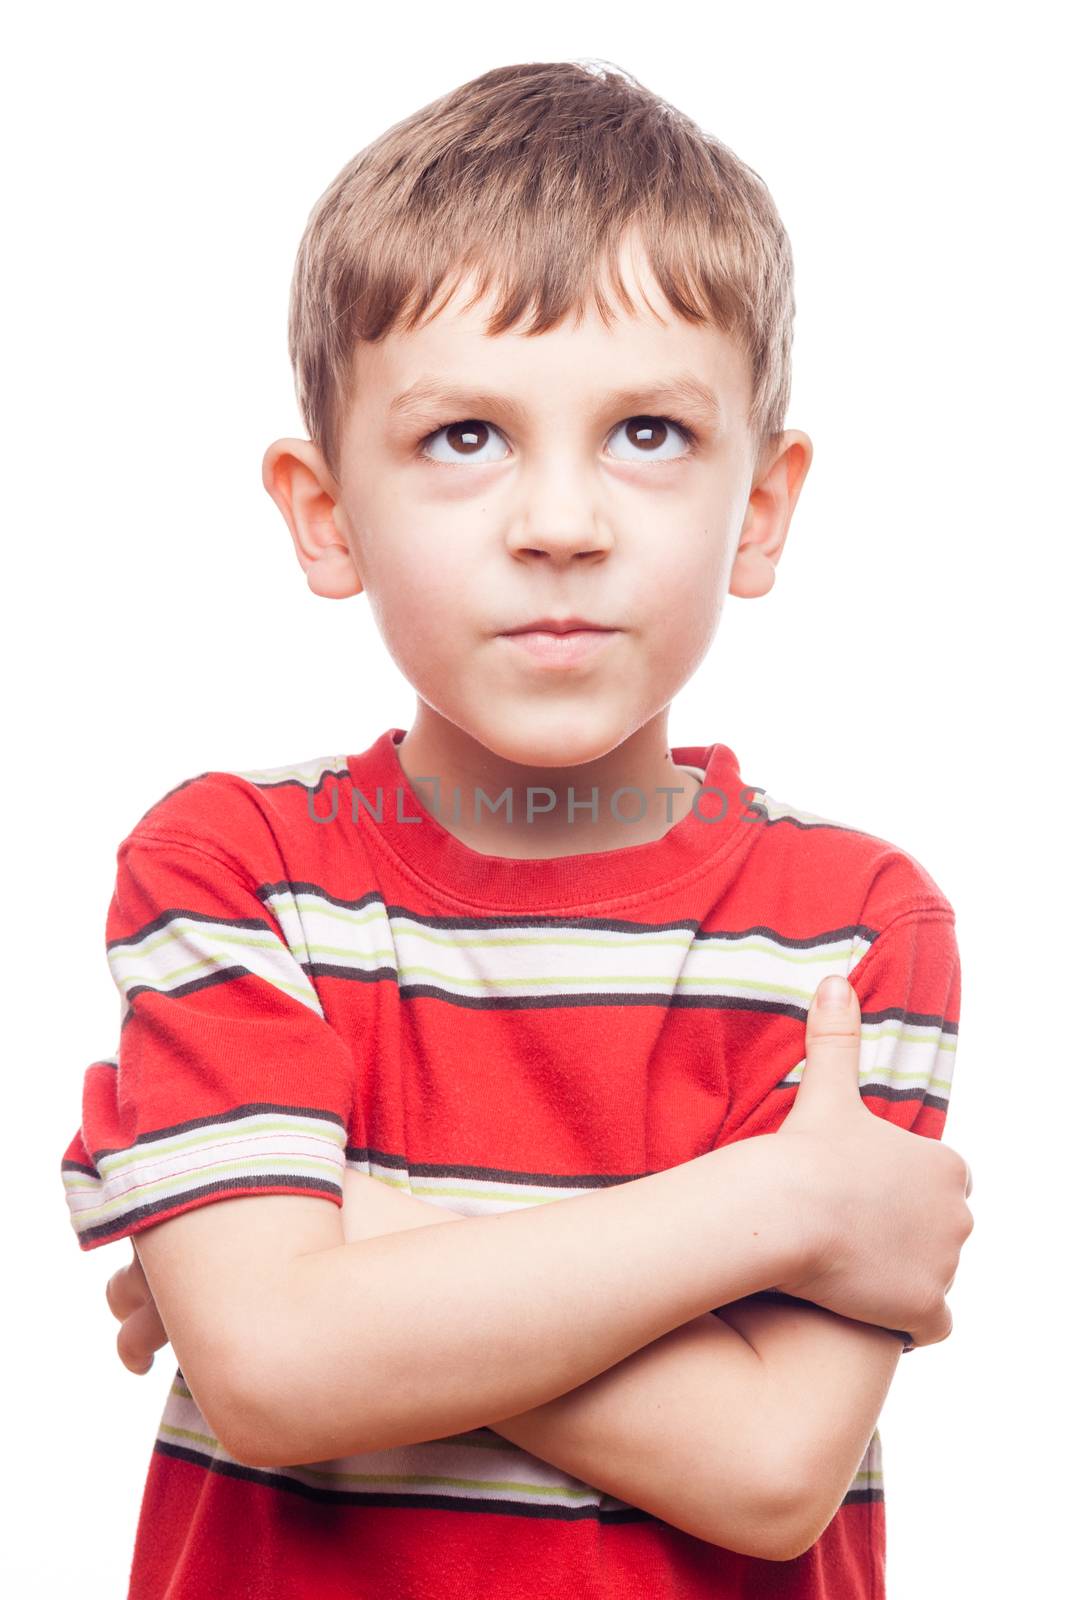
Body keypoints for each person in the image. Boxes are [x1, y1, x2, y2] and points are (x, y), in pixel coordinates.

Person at [60, 58, 974, 1599]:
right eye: (466, 437)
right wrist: (777, 1206)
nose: (562, 522)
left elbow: (764, 1469)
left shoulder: (855, 921)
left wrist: (336, 1241)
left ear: (761, 506)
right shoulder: (228, 865)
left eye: (651, 434)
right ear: (323, 512)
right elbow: (279, 1374)